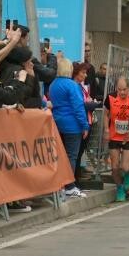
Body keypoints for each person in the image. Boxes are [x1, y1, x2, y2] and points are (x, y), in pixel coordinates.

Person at [49, 57, 90, 198]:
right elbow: (78, 107)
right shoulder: (72, 85)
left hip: (57, 123)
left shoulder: (53, 84)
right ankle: (70, 186)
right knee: (71, 156)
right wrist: (85, 125)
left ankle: (60, 185)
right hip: (72, 125)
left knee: (60, 156)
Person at [104, 77, 129, 202]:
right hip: (114, 136)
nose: (122, 92)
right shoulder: (110, 97)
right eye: (119, 90)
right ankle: (120, 188)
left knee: (125, 167)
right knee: (115, 167)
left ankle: (127, 176)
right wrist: (106, 129)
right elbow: (105, 114)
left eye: (124, 89)